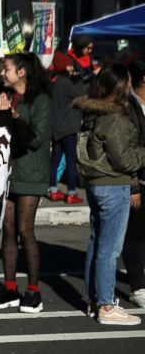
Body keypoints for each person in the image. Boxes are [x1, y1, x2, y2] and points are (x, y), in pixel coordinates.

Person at [76, 63, 145, 325]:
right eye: (126, 82)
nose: (130, 86)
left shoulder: (92, 112)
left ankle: (93, 299)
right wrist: (143, 153)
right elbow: (125, 160)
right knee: (109, 248)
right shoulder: (115, 117)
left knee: (97, 243)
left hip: (96, 183)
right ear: (119, 86)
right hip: (113, 183)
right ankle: (105, 305)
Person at [0, 52, 51, 314]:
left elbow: (35, 139)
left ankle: (34, 291)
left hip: (31, 172)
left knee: (26, 229)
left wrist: (13, 117)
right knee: (8, 228)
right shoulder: (5, 98)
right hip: (7, 171)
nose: (2, 73)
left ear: (22, 72)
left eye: (7, 69)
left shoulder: (41, 99)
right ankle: (10, 287)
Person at [121, 59, 145, 310]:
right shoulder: (128, 107)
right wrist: (133, 186)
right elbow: (126, 149)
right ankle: (138, 287)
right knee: (135, 236)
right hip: (137, 179)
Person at [47, 52, 86, 203]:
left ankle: (53, 189)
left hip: (57, 128)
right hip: (68, 128)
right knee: (71, 160)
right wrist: (79, 79)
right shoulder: (65, 82)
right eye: (69, 65)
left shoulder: (54, 81)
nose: (71, 68)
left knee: (55, 160)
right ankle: (71, 192)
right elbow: (81, 95)